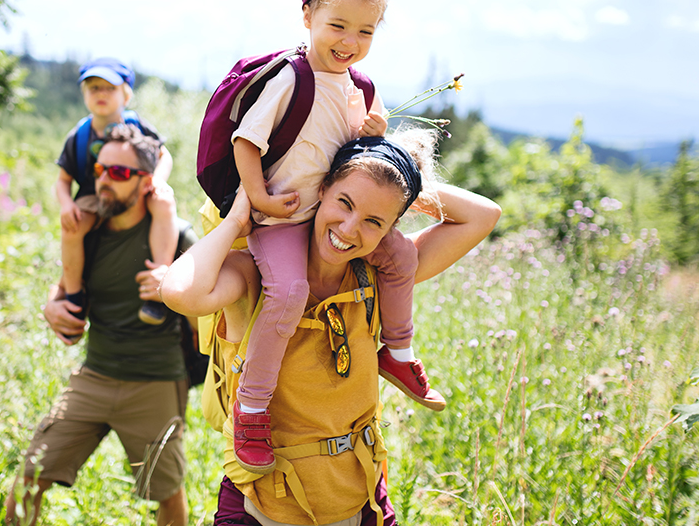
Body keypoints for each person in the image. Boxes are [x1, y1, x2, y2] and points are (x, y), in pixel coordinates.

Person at [162, 132, 501, 526]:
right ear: (320, 189)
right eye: (345, 202)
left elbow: (484, 215)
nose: (350, 229)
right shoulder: (255, 274)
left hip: (360, 500)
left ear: (390, 228)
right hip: (263, 505)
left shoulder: (380, 276)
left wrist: (396, 174)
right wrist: (239, 218)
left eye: (374, 221)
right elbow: (180, 292)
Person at [226, 0, 442, 475]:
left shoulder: (358, 88)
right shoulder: (290, 78)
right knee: (289, 292)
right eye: (338, 25)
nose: (350, 41)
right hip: (282, 217)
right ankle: (252, 407)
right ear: (307, 17)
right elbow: (246, 141)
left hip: (329, 212)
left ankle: (398, 349)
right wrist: (257, 199)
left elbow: (357, 157)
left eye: (365, 32)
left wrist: (372, 132)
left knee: (399, 259)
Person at [8, 125, 196, 526]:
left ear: (147, 182)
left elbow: (209, 312)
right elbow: (63, 290)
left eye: (120, 173)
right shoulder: (88, 232)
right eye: (100, 169)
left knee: (166, 491)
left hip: (156, 381)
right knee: (30, 475)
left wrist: (176, 291)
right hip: (94, 375)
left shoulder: (177, 237)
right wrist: (50, 308)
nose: (104, 180)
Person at [55, 57, 178, 327]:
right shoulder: (78, 135)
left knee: (164, 203)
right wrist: (66, 204)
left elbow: (163, 155)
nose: (101, 94)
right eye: (93, 88)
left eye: (109, 88)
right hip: (93, 195)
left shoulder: (139, 126)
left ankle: (158, 282)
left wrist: (157, 180)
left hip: (135, 189)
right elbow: (63, 180)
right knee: (72, 228)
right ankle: (74, 295)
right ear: (84, 94)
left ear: (126, 94)